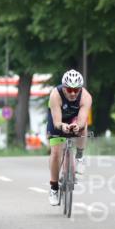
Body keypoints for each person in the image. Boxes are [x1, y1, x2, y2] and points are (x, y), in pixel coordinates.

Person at [46, 69, 92, 206]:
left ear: (80, 89)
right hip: (58, 119)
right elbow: (57, 122)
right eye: (69, 89)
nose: (72, 93)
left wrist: (77, 126)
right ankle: (54, 188)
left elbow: (82, 120)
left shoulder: (86, 97)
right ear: (63, 87)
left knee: (84, 127)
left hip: (74, 118)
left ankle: (80, 156)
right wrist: (62, 126)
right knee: (55, 153)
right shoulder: (55, 94)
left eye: (76, 90)